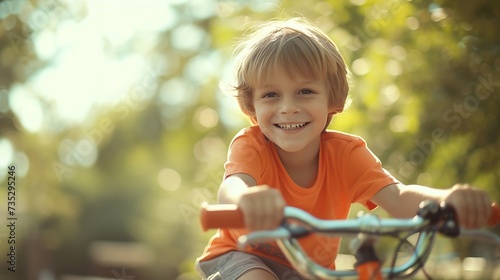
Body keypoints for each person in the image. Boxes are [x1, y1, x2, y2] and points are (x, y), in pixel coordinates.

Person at [195, 18, 492, 280]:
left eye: (305, 91)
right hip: (242, 255)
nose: (287, 108)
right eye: (271, 95)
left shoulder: (347, 155)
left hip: (307, 270)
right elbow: (232, 186)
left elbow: (398, 197)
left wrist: (449, 200)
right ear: (252, 105)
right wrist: (245, 201)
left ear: (332, 99)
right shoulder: (252, 145)